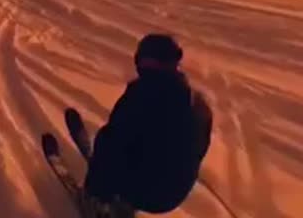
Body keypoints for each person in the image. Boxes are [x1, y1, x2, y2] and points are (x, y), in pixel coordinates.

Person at [80, 34, 213, 216]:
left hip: (144, 193)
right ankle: (126, 192)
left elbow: (114, 142)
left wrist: (98, 183)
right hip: (176, 194)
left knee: (106, 140)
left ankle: (99, 199)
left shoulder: (141, 95)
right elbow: (200, 148)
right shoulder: (197, 101)